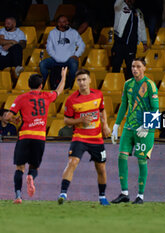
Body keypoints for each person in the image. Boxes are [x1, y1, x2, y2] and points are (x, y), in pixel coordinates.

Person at [5, 68, 67, 204]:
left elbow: (7, 116)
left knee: (19, 167)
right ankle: (31, 176)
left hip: (25, 136)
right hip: (39, 137)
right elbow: (59, 91)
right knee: (34, 167)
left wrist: (13, 120)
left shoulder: (21, 98)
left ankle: (18, 196)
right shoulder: (46, 96)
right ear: (41, 85)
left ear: (28, 85)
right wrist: (63, 77)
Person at [57, 69, 111, 206]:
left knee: (101, 168)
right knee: (72, 162)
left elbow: (102, 110)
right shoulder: (71, 100)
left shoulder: (98, 95)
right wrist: (80, 121)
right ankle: (63, 194)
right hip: (79, 137)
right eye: (79, 80)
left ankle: (102, 197)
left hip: (97, 138)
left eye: (84, 79)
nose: (82, 83)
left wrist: (105, 125)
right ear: (77, 82)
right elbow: (66, 121)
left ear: (90, 80)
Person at [110, 58, 159, 204]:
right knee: (121, 157)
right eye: (132, 66)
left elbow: (155, 108)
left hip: (144, 129)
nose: (135, 69)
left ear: (144, 68)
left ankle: (140, 196)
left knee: (141, 160)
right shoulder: (128, 84)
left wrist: (147, 126)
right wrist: (116, 125)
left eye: (138, 66)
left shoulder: (150, 85)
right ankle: (124, 193)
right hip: (128, 127)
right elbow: (124, 104)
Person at [39, 15, 85, 90]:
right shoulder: (52, 33)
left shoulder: (73, 32)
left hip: (69, 59)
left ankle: (68, 84)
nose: (63, 24)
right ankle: (45, 82)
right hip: (55, 59)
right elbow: (49, 47)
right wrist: (55, 56)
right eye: (61, 22)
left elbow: (82, 45)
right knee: (42, 64)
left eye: (65, 21)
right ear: (58, 23)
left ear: (68, 22)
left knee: (74, 64)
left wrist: (76, 55)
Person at [112, 0, 148, 79]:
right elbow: (117, 3)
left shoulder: (138, 12)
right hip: (120, 42)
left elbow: (142, 27)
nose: (130, 1)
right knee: (116, 64)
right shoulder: (120, 7)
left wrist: (144, 42)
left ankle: (129, 87)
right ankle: (114, 84)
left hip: (132, 45)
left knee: (131, 67)